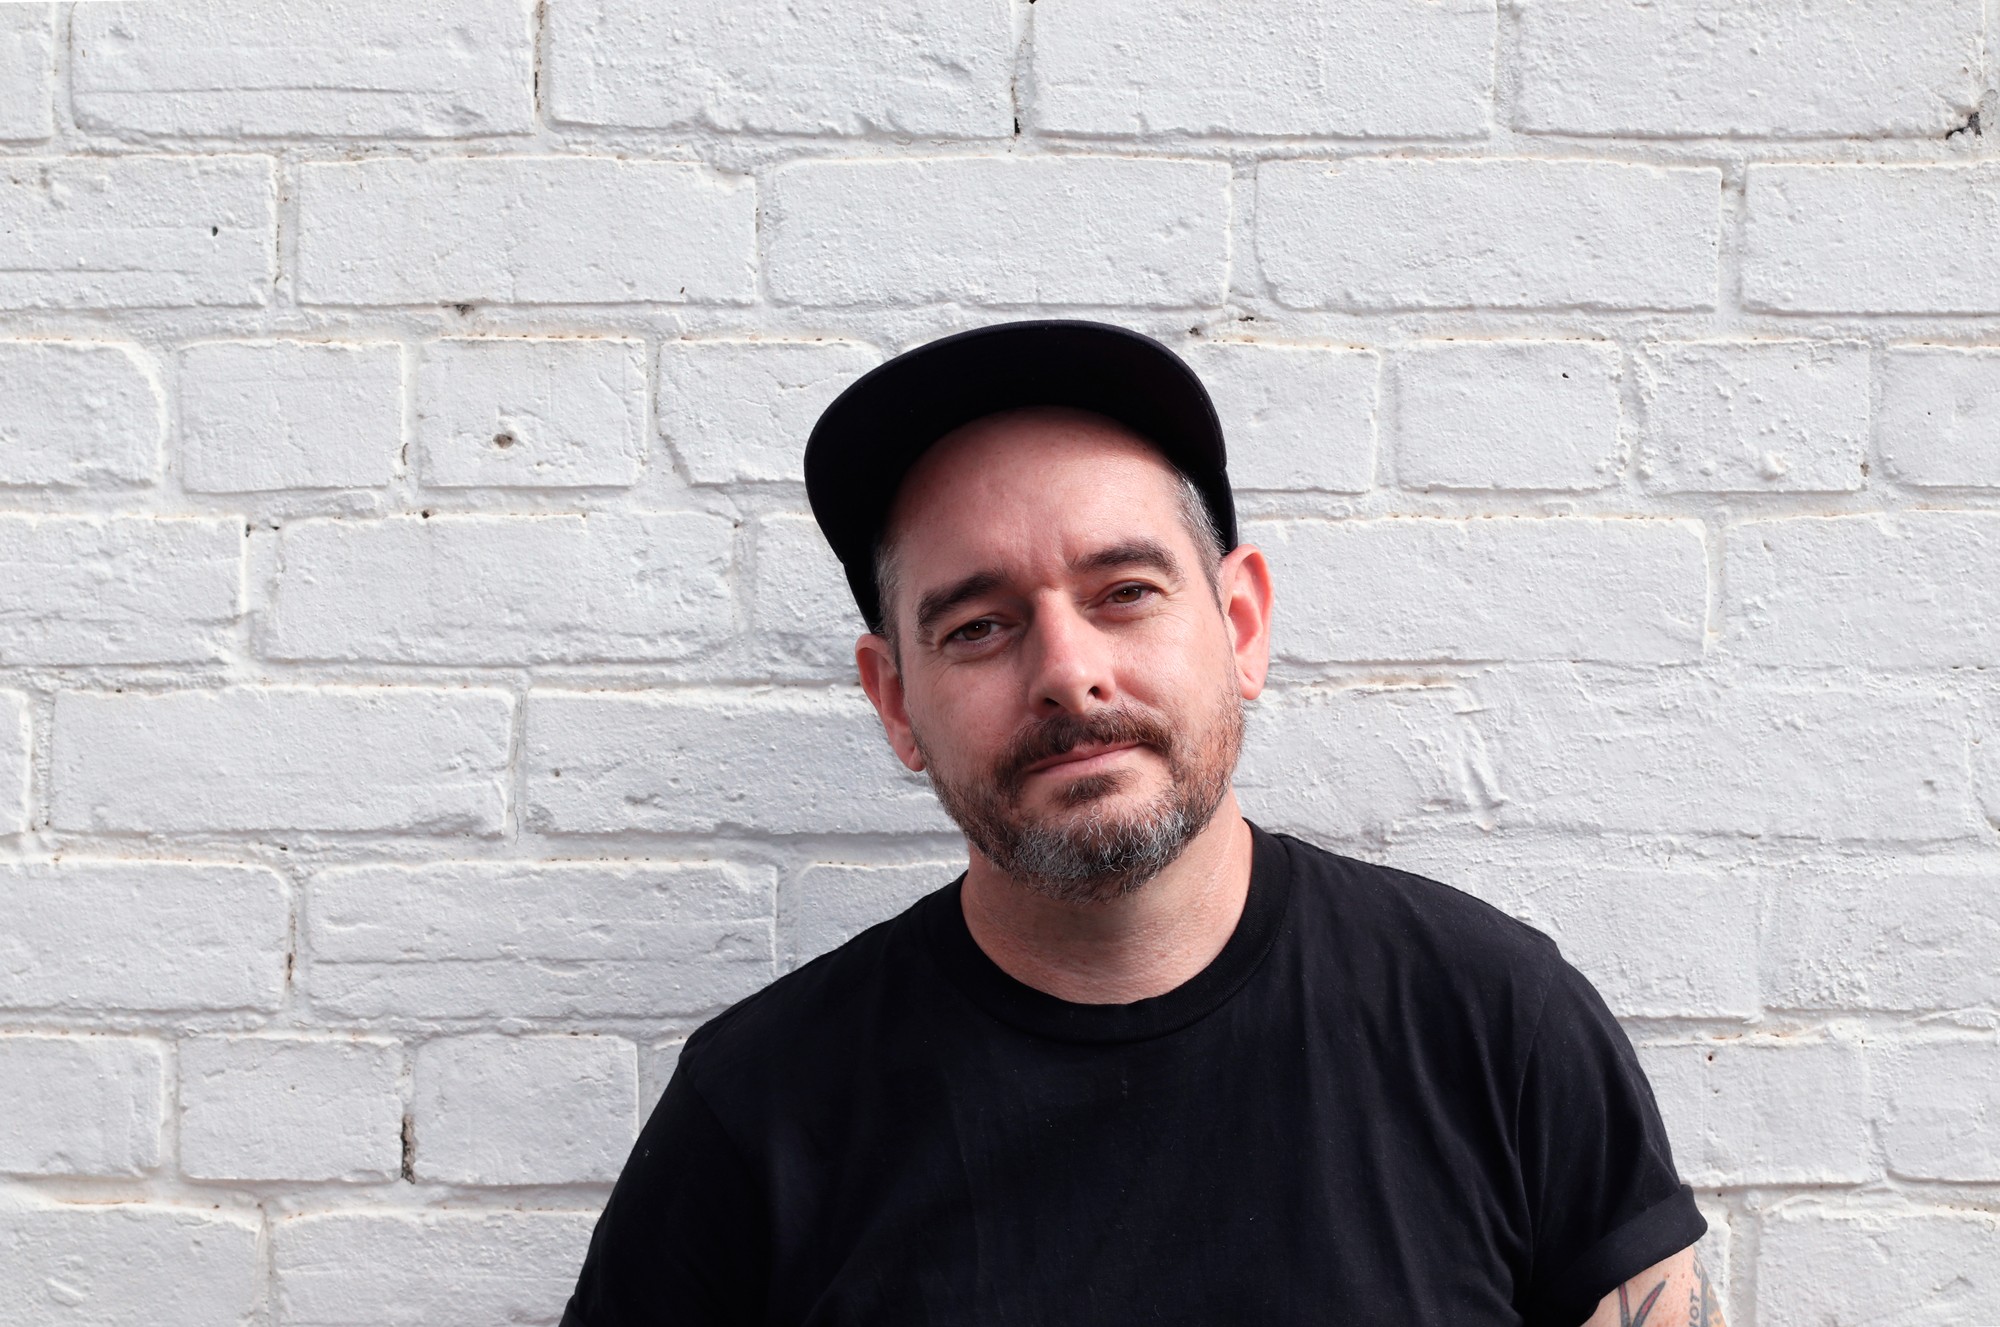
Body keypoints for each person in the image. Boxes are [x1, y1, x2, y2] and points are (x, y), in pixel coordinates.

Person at [560, 321, 1723, 1327]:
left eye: (1123, 592)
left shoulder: (1493, 1025)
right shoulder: (758, 1112)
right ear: (895, 700)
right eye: (977, 626)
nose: (1067, 672)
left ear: (1240, 625)